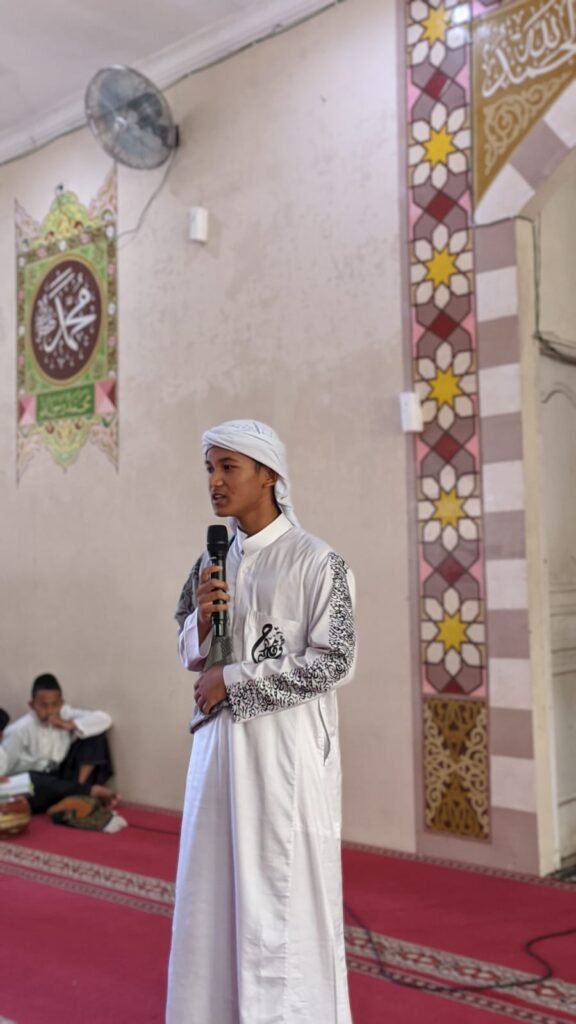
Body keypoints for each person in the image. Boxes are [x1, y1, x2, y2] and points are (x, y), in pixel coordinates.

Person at [166, 419, 356, 1024]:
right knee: (210, 896)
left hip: (284, 759)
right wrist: (201, 620)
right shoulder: (209, 562)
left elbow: (336, 661)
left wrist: (236, 680)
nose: (215, 482)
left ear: (269, 474)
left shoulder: (318, 561)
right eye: (210, 468)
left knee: (281, 899)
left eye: (229, 467)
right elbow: (188, 650)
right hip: (218, 754)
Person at [0, 673, 117, 812]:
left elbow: (105, 719)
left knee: (95, 732)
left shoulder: (65, 714)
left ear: (61, 703)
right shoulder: (19, 730)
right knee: (34, 781)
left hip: (63, 776)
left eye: (54, 705)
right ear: (32, 705)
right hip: (37, 782)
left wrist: (69, 724)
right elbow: (4, 767)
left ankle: (78, 793)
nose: (50, 711)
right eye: (43, 706)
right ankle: (83, 793)